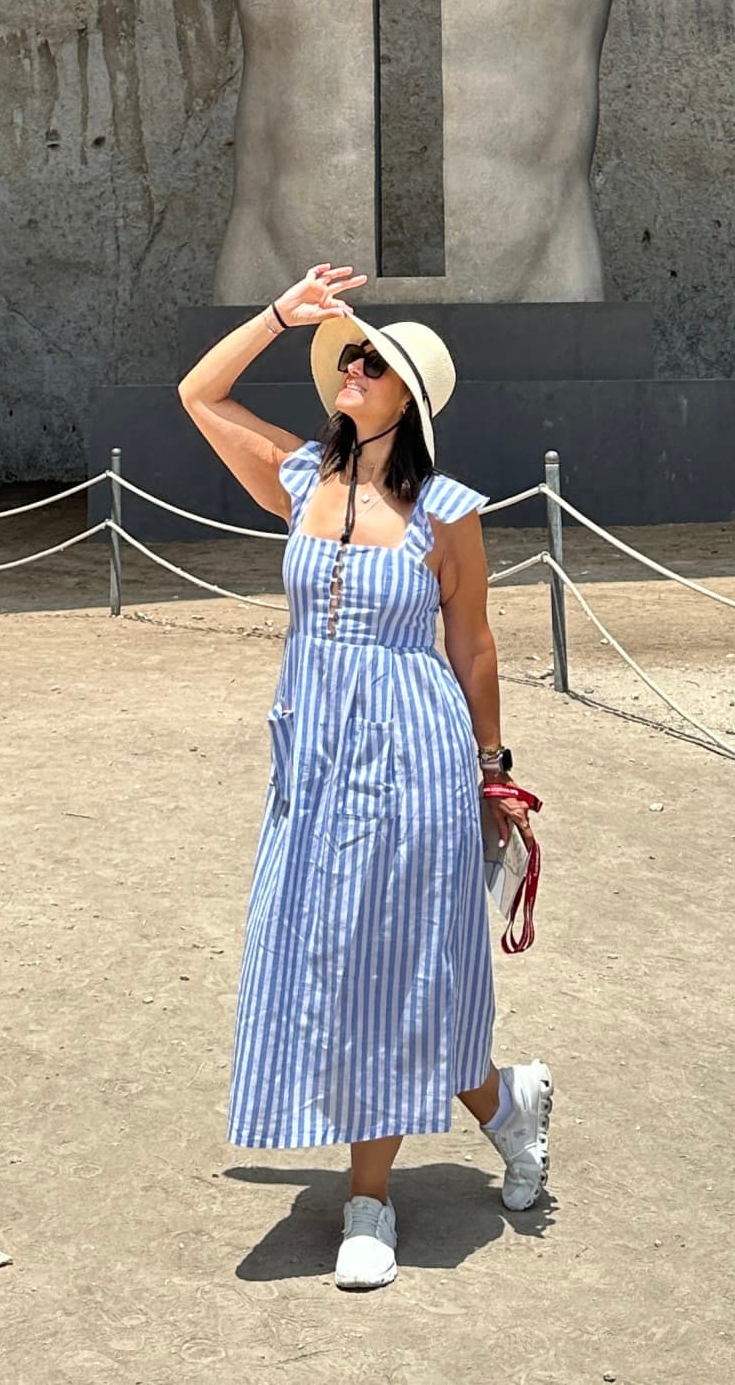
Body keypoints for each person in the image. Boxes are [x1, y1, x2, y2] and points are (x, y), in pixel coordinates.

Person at [178, 261, 553, 1291]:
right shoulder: (299, 478)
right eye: (347, 354)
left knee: (389, 965)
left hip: (413, 755)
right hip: (315, 759)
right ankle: (507, 1105)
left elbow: (472, 644)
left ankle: (370, 1201)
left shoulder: (448, 512)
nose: (351, 366)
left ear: (410, 399)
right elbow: (199, 394)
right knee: (339, 958)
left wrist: (492, 774)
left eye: (371, 362)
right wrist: (278, 314)